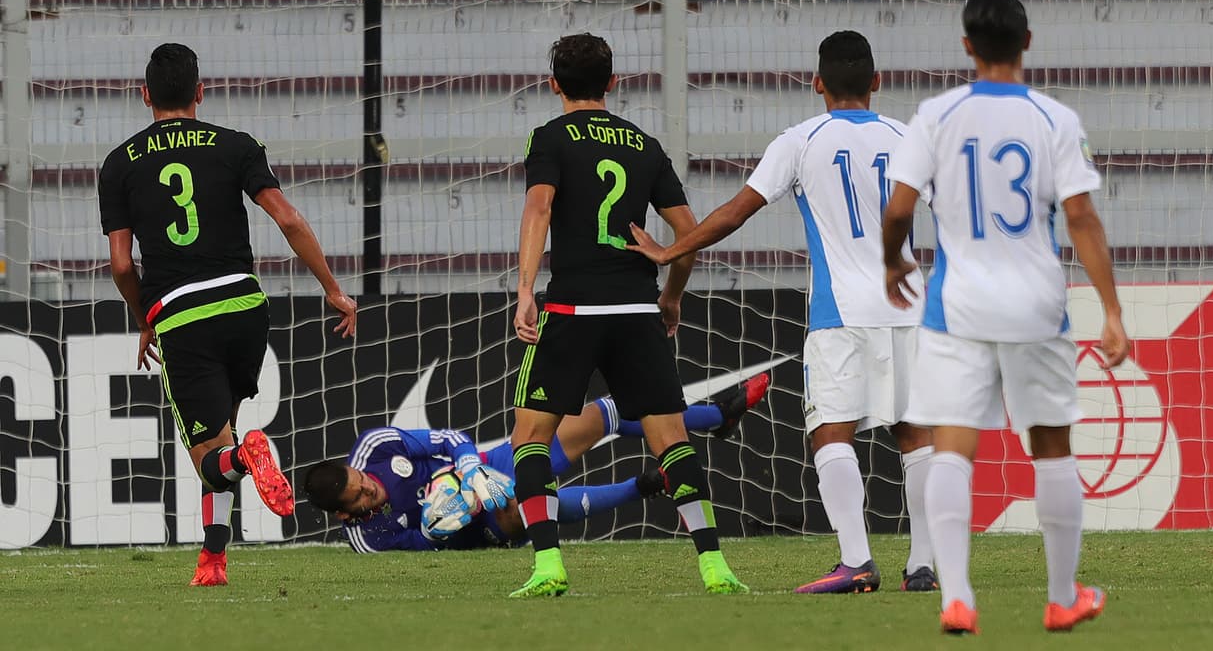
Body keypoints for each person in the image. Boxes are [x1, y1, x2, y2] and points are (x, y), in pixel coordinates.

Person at [628, 30, 937, 594]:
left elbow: (735, 211)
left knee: (829, 433)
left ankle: (857, 561)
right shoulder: (911, 138)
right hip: (909, 306)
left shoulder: (800, 140)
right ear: (877, 81)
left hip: (839, 312)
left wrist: (670, 249)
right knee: (915, 433)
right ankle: (922, 566)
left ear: (816, 83)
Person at [881, 0, 1130, 635]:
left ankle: (956, 596)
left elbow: (900, 208)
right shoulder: (1055, 120)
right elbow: (1081, 218)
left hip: (956, 307)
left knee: (952, 449)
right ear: (1028, 42)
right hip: (1035, 307)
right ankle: (1060, 596)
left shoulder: (936, 115)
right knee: (1051, 447)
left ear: (967, 46)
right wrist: (1111, 311)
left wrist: (892, 261)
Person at [97, 43, 358, 587]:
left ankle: (251, 454)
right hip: (244, 306)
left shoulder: (119, 163)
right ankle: (213, 561)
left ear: (144, 96)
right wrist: (332, 288)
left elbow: (122, 263)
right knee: (225, 430)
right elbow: (287, 219)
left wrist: (146, 314)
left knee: (213, 457)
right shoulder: (235, 145)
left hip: (182, 313)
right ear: (200, 91)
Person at [508, 32, 748, 597]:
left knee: (529, 439)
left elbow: (538, 207)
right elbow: (688, 236)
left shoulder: (549, 137)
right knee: (670, 439)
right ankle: (714, 565)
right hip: (638, 310)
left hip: (572, 308)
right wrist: (671, 296)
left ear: (553, 85)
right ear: (613, 83)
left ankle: (548, 566)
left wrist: (524, 290)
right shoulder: (643, 144)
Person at [301, 380, 769, 552]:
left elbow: (447, 438)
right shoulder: (370, 539)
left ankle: (717, 416)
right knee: (524, 502)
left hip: (486, 466)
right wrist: (435, 529)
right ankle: (642, 486)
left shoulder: (375, 450)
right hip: (485, 523)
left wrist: (469, 470)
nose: (372, 490)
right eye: (361, 498)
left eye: (364, 482)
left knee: (600, 413)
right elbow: (424, 545)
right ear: (345, 514)